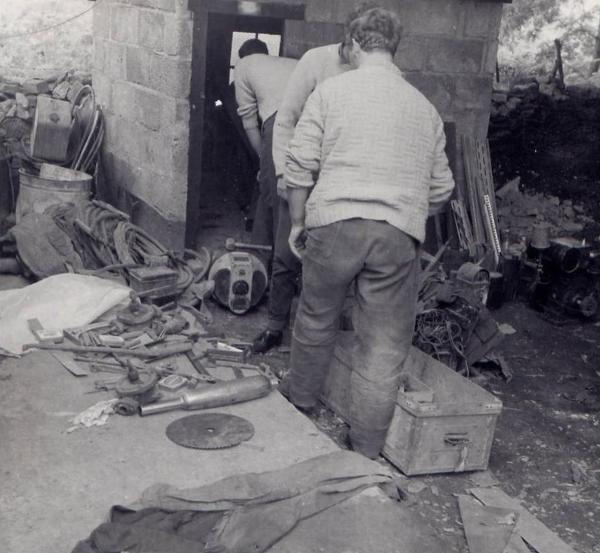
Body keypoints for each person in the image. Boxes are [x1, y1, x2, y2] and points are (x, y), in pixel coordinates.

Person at [282, 7, 455, 459]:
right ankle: (365, 450)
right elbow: (441, 190)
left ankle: (297, 406)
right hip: (397, 235)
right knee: (383, 346)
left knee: (317, 318)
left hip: (335, 225)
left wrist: (299, 222)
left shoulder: (331, 92)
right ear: (393, 48)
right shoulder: (425, 108)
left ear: (355, 44)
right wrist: (406, 213)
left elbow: (299, 168)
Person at [252, 2, 380, 354]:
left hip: (343, 179)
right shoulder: (316, 61)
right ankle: (275, 327)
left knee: (335, 262)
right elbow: (286, 119)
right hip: (301, 172)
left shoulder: (375, 70)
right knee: (286, 255)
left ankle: (322, 340)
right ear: (351, 37)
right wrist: (283, 171)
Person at [233, 38, 297, 252]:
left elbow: (249, 123)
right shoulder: (285, 62)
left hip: (279, 120)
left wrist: (263, 161)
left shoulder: (243, 66)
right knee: (289, 189)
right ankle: (265, 251)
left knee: (276, 194)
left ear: (241, 57)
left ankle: (275, 260)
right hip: (312, 117)